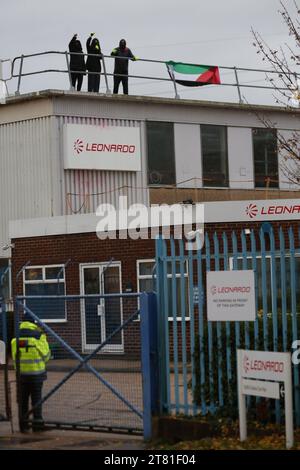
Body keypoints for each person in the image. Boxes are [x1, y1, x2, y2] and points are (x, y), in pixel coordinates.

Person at [11, 316, 50, 432]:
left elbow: (14, 356)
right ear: (34, 323)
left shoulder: (15, 336)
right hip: (37, 374)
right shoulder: (39, 335)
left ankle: (24, 425)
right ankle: (37, 425)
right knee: (36, 400)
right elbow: (46, 356)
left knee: (23, 400)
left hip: (21, 375)